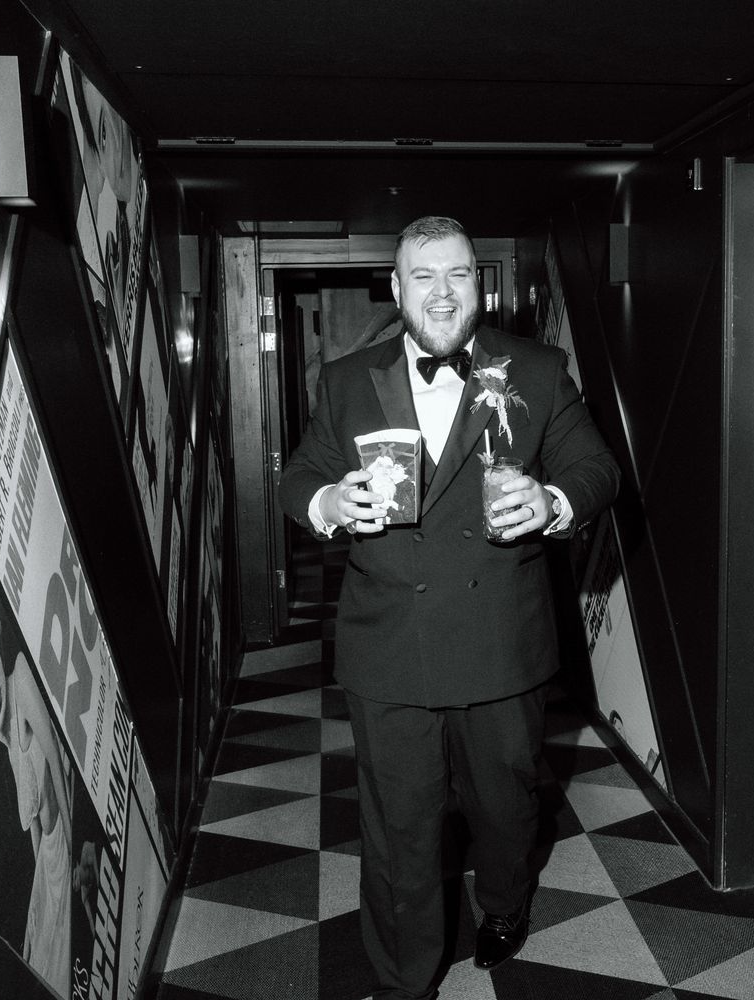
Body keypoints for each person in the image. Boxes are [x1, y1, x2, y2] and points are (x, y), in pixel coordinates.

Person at [279, 216, 620, 999]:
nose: (441, 292)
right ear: (396, 288)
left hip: (499, 643)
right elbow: (299, 476)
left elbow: (596, 468)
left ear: (479, 284)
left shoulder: (536, 370)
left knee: (505, 808)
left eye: (458, 274)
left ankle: (504, 901)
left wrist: (554, 501)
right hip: (388, 648)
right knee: (397, 829)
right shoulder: (346, 380)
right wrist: (330, 501)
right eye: (423, 276)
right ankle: (405, 980)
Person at [0, 589, 74, 998]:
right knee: (40, 968)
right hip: (49, 869)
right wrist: (38, 910)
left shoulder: (19, 676)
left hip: (64, 855)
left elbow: (56, 761)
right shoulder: (8, 749)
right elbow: (35, 832)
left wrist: (73, 840)